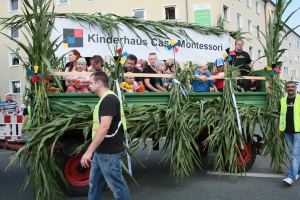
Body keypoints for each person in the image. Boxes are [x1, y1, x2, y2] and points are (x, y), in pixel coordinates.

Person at [80, 71, 131, 200]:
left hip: (108, 152)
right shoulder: (107, 98)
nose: (89, 86)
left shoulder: (108, 99)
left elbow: (104, 127)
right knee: (95, 185)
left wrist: (88, 152)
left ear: (99, 83)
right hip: (102, 151)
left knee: (117, 187)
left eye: (91, 83)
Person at [277, 81, 300, 186]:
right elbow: (280, 116)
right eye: (288, 87)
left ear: (295, 88)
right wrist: (278, 129)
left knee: (295, 154)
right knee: (294, 154)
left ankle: (290, 177)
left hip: (298, 131)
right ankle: (298, 172)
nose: (290, 88)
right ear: (285, 89)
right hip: (287, 131)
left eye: (292, 86)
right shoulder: (282, 100)